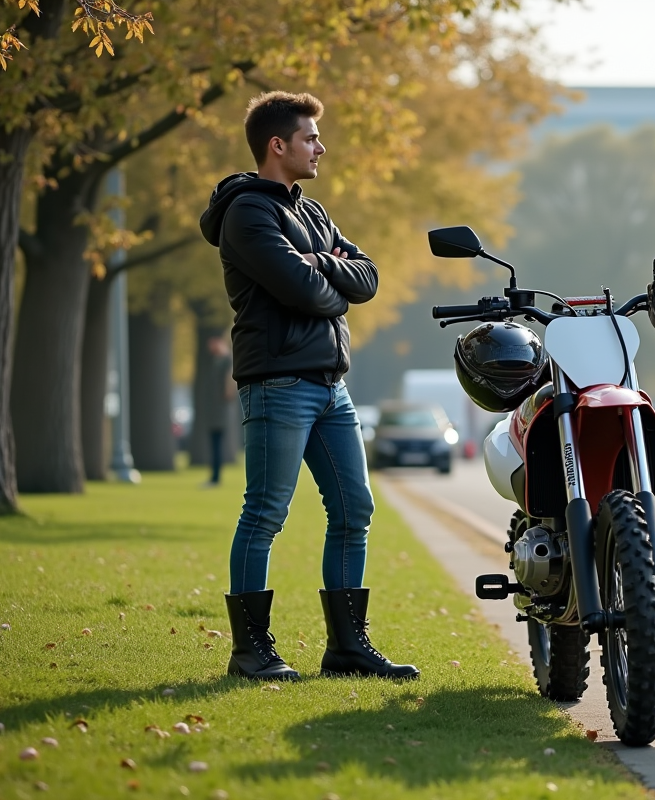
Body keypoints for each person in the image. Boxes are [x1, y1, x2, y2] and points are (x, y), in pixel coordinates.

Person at [199, 91, 419, 682]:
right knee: (266, 513)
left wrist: (320, 262)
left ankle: (347, 648)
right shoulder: (248, 213)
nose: (321, 147)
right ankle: (250, 652)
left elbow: (366, 280)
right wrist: (328, 271)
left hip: (331, 387)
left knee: (355, 510)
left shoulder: (315, 213)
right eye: (311, 137)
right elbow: (307, 292)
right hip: (278, 384)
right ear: (278, 145)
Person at [198, 335, 234, 488]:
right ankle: (214, 476)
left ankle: (215, 478)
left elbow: (229, 383)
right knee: (214, 445)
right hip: (215, 411)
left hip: (220, 411)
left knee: (217, 445)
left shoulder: (226, 361)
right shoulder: (216, 361)